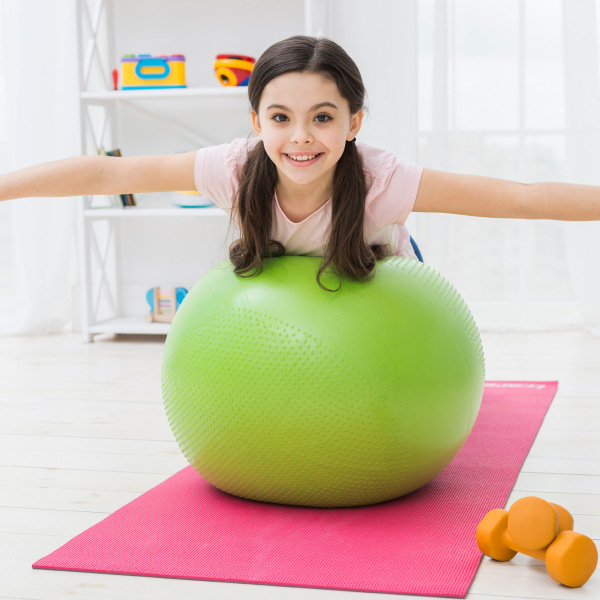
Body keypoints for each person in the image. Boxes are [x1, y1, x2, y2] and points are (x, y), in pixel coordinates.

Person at [1, 36, 599, 292]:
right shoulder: (233, 168)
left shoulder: (381, 183)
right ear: (256, 121)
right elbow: (108, 173)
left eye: (323, 117)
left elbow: (524, 198)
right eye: (281, 117)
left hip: (375, 294)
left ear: (354, 123)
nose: (301, 138)